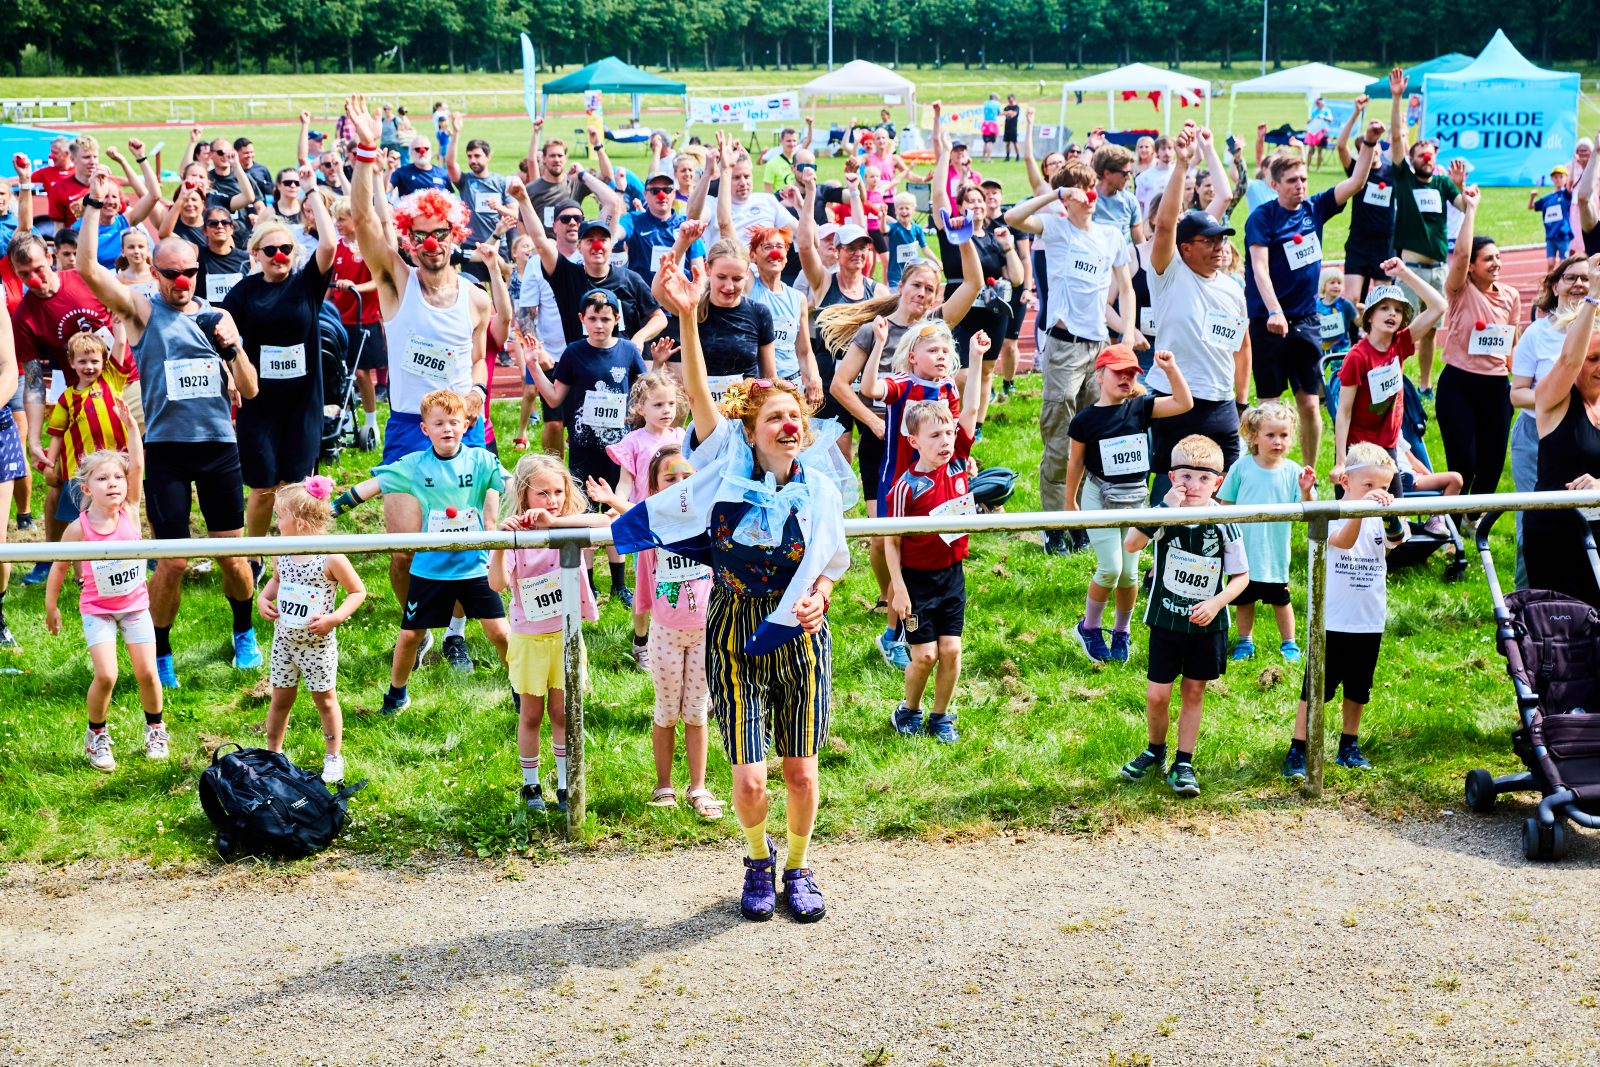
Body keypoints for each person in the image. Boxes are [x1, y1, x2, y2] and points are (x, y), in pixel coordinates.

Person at [614, 255, 851, 924]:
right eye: (773, 416)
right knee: (750, 778)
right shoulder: (725, 465)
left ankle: (800, 867)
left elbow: (832, 559)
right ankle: (757, 857)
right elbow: (694, 389)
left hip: (800, 635)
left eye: (793, 416)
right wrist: (688, 317)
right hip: (732, 629)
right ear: (750, 431)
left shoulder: (822, 486)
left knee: (801, 772)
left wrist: (822, 596)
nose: (786, 424)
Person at [75, 172, 263, 686]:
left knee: (233, 556)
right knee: (173, 562)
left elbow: (248, 390)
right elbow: (87, 266)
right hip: (165, 450)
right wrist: (94, 202)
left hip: (219, 447)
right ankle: (160, 651)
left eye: (190, 273)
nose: (183, 282)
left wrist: (234, 348)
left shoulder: (219, 316)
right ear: (156, 274)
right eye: (172, 274)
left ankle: (244, 632)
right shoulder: (141, 312)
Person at [346, 94, 495, 668]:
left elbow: (480, 359)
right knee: (405, 549)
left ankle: (455, 630)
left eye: (441, 234)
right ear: (409, 239)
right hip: (409, 429)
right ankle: (422, 624)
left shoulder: (477, 300)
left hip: (465, 430)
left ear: (456, 235)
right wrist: (365, 154)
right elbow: (363, 220)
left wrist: (479, 387)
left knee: (464, 543)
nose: (432, 245)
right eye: (422, 235)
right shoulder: (396, 284)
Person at [334, 389, 509, 715]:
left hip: (473, 566)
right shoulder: (414, 465)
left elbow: (514, 485)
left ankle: (519, 688)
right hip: (430, 568)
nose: (447, 429)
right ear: (425, 429)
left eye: (454, 422)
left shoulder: (481, 460)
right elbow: (367, 489)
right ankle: (396, 695)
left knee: (500, 632)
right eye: (439, 423)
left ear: (466, 425)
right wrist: (328, 513)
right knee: (410, 633)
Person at [1004, 163, 1138, 555]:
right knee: (1060, 441)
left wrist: (1126, 334)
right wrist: (1056, 195)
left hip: (1099, 349)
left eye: (1091, 187)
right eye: (1080, 189)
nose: (1089, 195)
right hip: (1063, 347)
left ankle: (1080, 518)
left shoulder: (1111, 235)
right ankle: (1054, 525)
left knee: (1093, 437)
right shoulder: (1057, 229)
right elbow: (1013, 217)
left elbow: (1126, 290)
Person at [592, 445, 723, 818]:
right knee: (666, 711)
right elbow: (634, 520)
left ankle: (698, 787)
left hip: (705, 632)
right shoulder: (655, 526)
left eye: (687, 478)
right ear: (655, 488)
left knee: (697, 712)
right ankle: (663, 784)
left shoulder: (708, 520)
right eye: (670, 478)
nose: (680, 485)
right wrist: (610, 502)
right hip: (665, 633)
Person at [1246, 118, 1384, 466]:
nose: (1300, 186)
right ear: (1274, 183)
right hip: (1268, 320)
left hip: (1306, 320)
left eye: (1304, 180)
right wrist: (1275, 311)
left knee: (1309, 402)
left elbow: (1356, 182)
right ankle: (1266, 469)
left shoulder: (1314, 209)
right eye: (1292, 181)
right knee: (1270, 405)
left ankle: (1308, 474)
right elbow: (1259, 268)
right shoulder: (1263, 218)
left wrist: (1367, 142)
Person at [1119, 434, 1250, 798]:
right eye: (1185, 476)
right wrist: (1163, 508)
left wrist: (1217, 602)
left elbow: (1242, 576)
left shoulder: (1224, 520)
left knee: (1194, 691)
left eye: (1203, 478)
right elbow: (1132, 544)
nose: (1193, 485)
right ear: (1171, 475)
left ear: (1218, 482)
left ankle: (1184, 761)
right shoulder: (1164, 513)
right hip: (1165, 619)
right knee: (1157, 695)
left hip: (1207, 624)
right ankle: (1154, 750)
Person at [883, 328, 987, 743]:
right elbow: (891, 540)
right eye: (935, 436)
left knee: (951, 651)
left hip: (952, 574)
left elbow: (972, 411)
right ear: (913, 441)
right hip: (917, 580)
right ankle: (908, 710)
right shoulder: (906, 488)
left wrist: (976, 359)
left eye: (948, 434)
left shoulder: (960, 462)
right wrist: (899, 590)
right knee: (924, 656)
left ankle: (940, 716)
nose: (946, 441)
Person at [1281, 444, 1409, 779]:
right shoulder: (1329, 512)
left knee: (1359, 688)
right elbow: (1346, 541)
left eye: (1383, 487)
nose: (1377, 493)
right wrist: (1361, 509)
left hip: (1368, 619)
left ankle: (1348, 744)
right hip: (1331, 620)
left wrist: (1390, 513)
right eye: (1368, 486)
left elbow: (1397, 539)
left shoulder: (1383, 516)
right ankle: (1299, 748)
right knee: (1315, 689)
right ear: (1345, 482)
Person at [222, 201, 337, 562]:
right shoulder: (244, 292)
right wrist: (230, 374)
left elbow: (330, 245)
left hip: (303, 404)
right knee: (262, 488)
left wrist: (314, 197)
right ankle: (252, 557)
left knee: (297, 487)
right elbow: (222, 334)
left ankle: (296, 556)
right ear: (256, 254)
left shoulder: (306, 284)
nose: (279, 255)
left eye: (285, 249)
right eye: (270, 250)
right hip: (260, 404)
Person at [489, 453, 604, 814]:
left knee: (563, 713)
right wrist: (500, 543)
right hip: (528, 639)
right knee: (531, 714)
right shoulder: (517, 536)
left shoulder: (568, 526)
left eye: (558, 491)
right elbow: (496, 583)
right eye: (543, 493)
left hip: (566, 637)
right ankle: (530, 785)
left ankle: (565, 785)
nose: (552, 499)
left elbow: (608, 521)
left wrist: (556, 520)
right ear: (524, 496)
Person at [1064, 347, 1193, 664]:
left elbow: (1184, 403)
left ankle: (1122, 632)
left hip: (1135, 498)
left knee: (1129, 576)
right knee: (1111, 568)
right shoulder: (1084, 420)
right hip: (1099, 497)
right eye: (1118, 371)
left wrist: (1171, 368)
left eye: (1131, 373)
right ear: (1100, 374)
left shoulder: (1140, 408)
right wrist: (1070, 502)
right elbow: (1075, 462)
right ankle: (1089, 627)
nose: (1125, 378)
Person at [523, 290, 651, 604]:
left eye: (606, 319)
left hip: (617, 452)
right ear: (582, 319)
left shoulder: (628, 351)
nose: (599, 325)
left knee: (614, 512)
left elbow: (644, 393)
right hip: (583, 448)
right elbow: (554, 398)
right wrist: (534, 365)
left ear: (617, 319)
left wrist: (657, 364)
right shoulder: (573, 353)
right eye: (592, 319)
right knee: (583, 513)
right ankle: (589, 583)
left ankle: (620, 584)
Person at [43, 443, 165, 771]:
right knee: (107, 675)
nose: (112, 483)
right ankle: (96, 734)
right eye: (102, 478)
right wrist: (51, 606)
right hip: (98, 609)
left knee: (148, 673)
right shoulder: (77, 529)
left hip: (135, 606)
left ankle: (156, 729)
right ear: (86, 488)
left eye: (117, 477)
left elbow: (138, 464)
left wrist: (133, 429)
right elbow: (59, 567)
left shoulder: (132, 511)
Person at [1146, 140, 1251, 500]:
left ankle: (1217, 552)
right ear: (1185, 247)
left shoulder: (1232, 288)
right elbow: (1163, 227)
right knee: (1171, 486)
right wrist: (1180, 165)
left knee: (1225, 486)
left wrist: (1240, 399)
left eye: (1222, 239)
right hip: (1175, 399)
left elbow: (1242, 346)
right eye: (1209, 240)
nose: (1220, 246)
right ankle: (1162, 549)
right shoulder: (1169, 273)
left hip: (1221, 403)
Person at [8, 230, 116, 575]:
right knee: (57, 480)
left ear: (51, 257)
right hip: (75, 400)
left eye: (38, 268)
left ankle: (141, 552)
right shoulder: (25, 316)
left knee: (130, 474)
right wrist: (35, 437)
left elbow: (125, 312)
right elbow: (34, 381)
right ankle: (52, 558)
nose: (34, 279)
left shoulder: (84, 278)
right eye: (24, 274)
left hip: (122, 385)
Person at [256, 477, 367, 785]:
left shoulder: (330, 557)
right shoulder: (282, 552)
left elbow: (358, 591)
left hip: (317, 646)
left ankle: (333, 755)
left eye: (281, 516)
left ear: (301, 523)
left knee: (325, 700)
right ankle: (273, 753)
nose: (277, 522)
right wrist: (264, 599)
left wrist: (335, 618)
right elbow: (276, 582)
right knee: (280, 699)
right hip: (284, 642)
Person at [1436, 183, 1520, 513]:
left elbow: (1512, 341)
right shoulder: (1460, 288)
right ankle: (1451, 526)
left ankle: (1474, 520)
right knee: (1464, 463)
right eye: (1488, 259)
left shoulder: (1510, 296)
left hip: (1496, 386)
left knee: (1492, 464)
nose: (1496, 263)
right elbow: (1459, 255)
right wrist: (1470, 209)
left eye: (1499, 257)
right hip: (1459, 384)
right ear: (1472, 265)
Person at [1511, 255, 1591, 588]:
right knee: (1532, 517)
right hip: (1535, 436)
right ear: (1555, 285)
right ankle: (1525, 598)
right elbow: (1517, 394)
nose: (1579, 284)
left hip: (1584, 434)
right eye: (1571, 278)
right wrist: (1555, 401)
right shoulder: (1537, 333)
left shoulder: (1595, 329)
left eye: (1586, 279)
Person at [1525, 258, 1600, 607]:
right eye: (1593, 358)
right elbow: (1570, 361)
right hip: (1557, 537)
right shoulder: (1553, 398)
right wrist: (1593, 298)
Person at [1218, 400, 1317, 663]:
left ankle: (1289, 644)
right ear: (1254, 437)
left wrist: (1306, 490)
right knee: (1243, 599)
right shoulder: (1242, 466)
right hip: (1245, 550)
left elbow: (1309, 511)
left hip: (1274, 552)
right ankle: (1244, 642)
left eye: (1284, 435)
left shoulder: (1293, 471)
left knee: (1281, 600)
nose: (1278, 441)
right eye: (1270, 435)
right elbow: (1225, 503)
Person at [1389, 67, 1467, 397]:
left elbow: (1463, 206)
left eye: (1429, 153)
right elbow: (1397, 138)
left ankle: (1424, 385)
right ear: (1411, 159)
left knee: (1431, 330)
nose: (1426, 156)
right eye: (1419, 152)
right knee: (1402, 329)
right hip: (1411, 269)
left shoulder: (1441, 182)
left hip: (1437, 269)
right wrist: (1397, 98)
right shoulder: (1403, 178)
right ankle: (1394, 381)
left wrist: (1464, 190)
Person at [1332, 269, 1446, 486]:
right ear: (1370, 317)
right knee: (1360, 515)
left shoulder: (1401, 343)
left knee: (1392, 515)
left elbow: (1439, 306)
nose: (1392, 314)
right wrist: (1341, 462)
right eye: (1384, 308)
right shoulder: (1357, 357)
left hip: (1388, 445)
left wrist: (1404, 273)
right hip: (1359, 449)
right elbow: (1343, 412)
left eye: (1398, 310)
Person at [43, 329, 137, 530]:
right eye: (83, 361)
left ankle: (121, 556)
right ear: (72, 362)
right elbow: (57, 436)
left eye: (95, 361)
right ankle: (81, 558)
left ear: (104, 362)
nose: (89, 366)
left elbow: (120, 344)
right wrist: (50, 466)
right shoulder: (66, 399)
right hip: (80, 474)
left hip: (115, 467)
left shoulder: (111, 381)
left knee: (119, 516)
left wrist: (119, 325)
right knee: (79, 521)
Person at [329, 195, 385, 449]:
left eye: (342, 219)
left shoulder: (368, 246)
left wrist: (355, 287)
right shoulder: (336, 248)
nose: (338, 223)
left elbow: (378, 281)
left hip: (364, 318)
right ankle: (348, 421)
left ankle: (371, 421)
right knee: (342, 374)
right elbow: (329, 286)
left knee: (362, 373)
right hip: (339, 321)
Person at [746, 227, 821, 401]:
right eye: (766, 247)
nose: (774, 252)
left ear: (786, 255)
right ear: (753, 256)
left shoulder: (798, 298)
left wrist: (814, 378)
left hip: (792, 386)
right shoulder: (748, 287)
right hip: (760, 385)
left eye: (780, 246)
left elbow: (804, 351)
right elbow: (728, 231)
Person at [444, 119, 511, 281]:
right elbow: (450, 164)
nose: (473, 160)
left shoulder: (501, 182)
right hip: (472, 246)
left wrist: (499, 208)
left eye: (477, 156)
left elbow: (514, 212)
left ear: (488, 157)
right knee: (475, 292)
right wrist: (456, 133)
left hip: (498, 246)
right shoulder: (465, 181)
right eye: (469, 156)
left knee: (500, 291)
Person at [613, 171, 706, 285]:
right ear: (645, 194)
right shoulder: (633, 220)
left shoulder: (686, 225)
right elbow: (613, 233)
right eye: (655, 191)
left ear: (674, 194)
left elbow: (699, 272)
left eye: (667, 190)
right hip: (644, 296)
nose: (661, 195)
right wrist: (619, 192)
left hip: (679, 296)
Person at [1531, 166, 1574, 272]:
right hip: (1550, 235)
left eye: (1561, 177)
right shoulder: (1547, 198)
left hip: (1563, 235)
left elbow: (1571, 183)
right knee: (1550, 264)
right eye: (1555, 177)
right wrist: (1532, 196)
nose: (1558, 179)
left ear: (1566, 179)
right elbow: (1532, 206)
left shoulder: (1566, 195)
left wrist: (1573, 162)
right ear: (1552, 179)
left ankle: (1563, 284)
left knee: (1563, 264)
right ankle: (1549, 285)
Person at [1314, 270, 1359, 354]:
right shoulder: (1316, 306)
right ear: (1323, 284)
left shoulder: (1345, 304)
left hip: (1342, 351)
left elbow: (1359, 323)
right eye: (1332, 282)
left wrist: (1362, 312)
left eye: (1339, 283)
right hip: (1322, 351)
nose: (1336, 286)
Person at [1132, 136, 1175, 219]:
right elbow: (1140, 204)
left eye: (1170, 148)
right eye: (1163, 149)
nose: (1167, 152)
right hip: (1151, 223)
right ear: (1157, 151)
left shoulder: (1179, 172)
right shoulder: (1144, 177)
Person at [1002, 95, 1022, 163]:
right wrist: (1008, 112)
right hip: (1007, 127)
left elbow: (1014, 114)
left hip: (1013, 127)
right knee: (1007, 143)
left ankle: (1018, 156)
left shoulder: (1016, 107)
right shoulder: (1007, 107)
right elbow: (1002, 113)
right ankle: (1007, 156)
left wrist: (1009, 113)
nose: (1010, 101)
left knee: (1015, 142)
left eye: (1011, 100)